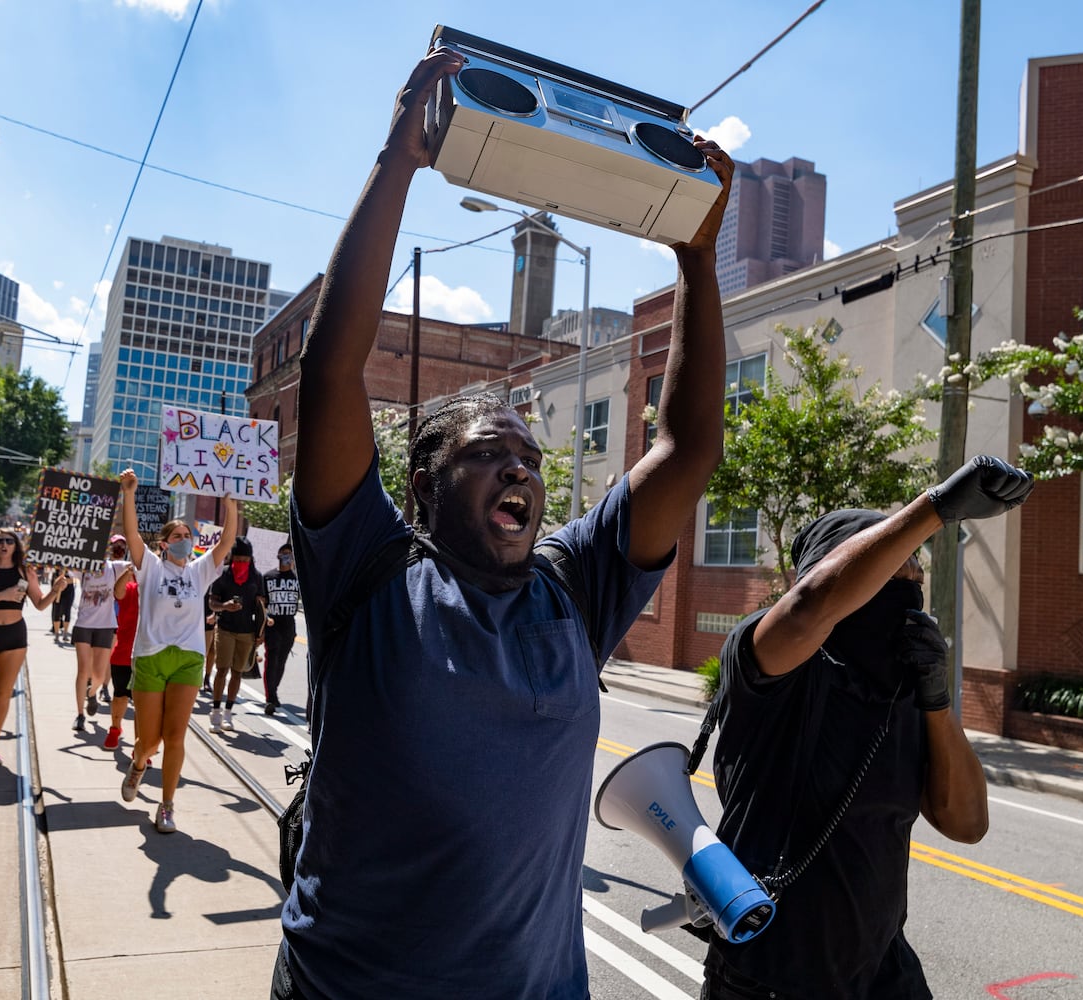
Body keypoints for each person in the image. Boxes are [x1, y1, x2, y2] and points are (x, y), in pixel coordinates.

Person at [273, 50, 735, 999]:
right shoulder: (368, 568)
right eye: (488, 451)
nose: (520, 464)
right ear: (425, 484)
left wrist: (695, 251)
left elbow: (686, 449)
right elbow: (331, 369)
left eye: (528, 455)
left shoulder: (574, 586)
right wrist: (399, 159)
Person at [700, 456, 1033, 1000]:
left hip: (882, 970)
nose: (906, 589)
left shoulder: (901, 690)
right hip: (771, 973)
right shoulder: (765, 659)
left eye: (915, 579)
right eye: (886, 576)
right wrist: (936, 507)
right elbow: (810, 607)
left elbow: (968, 824)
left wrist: (936, 702)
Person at [115, 470, 236, 834]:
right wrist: (129, 494)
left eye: (189, 535)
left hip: (188, 659)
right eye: (178, 536)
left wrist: (230, 504)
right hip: (151, 657)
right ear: (165, 543)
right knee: (149, 741)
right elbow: (133, 534)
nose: (185, 540)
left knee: (175, 736)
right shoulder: (150, 566)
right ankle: (138, 764)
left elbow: (226, 542)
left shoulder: (200, 571)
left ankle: (167, 805)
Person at [0, 529, 66, 775]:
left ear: (16, 546)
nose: (4, 545)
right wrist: (1, 596)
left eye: (9, 541)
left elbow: (39, 604)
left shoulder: (25, 572)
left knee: (4, 693)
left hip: (14, 636)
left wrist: (56, 590)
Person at [70, 536, 133, 735]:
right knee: (83, 670)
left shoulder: (115, 567)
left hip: (106, 626)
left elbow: (138, 563)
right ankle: (80, 715)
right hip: (83, 625)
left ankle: (92, 693)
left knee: (98, 675)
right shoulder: (84, 567)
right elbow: (66, 564)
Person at [205, 536, 265, 732]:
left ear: (251, 559)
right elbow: (212, 603)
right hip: (225, 629)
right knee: (222, 670)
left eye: (245, 560)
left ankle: (229, 712)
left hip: (247, 632)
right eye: (238, 559)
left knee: (237, 672)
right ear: (232, 558)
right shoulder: (222, 575)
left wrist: (261, 631)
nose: (242, 563)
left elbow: (262, 607)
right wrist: (224, 607)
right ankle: (215, 711)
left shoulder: (257, 577)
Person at [260, 541, 299, 715]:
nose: (286, 556)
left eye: (289, 554)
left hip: (288, 626)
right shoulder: (268, 577)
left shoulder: (298, 579)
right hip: (272, 624)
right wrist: (264, 619)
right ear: (277, 556)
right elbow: (261, 603)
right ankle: (270, 697)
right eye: (283, 553)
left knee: (281, 661)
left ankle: (273, 690)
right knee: (272, 657)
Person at [104, 565, 140, 752]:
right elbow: (117, 592)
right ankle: (115, 728)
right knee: (120, 696)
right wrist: (128, 571)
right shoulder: (131, 588)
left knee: (143, 704)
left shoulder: (161, 591)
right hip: (124, 653)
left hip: (148, 655)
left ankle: (140, 746)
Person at [50, 566, 75, 644]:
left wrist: (64, 578)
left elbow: (72, 580)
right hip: (57, 592)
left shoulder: (70, 570)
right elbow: (55, 581)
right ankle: (57, 634)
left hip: (68, 592)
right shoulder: (56, 569)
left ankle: (65, 633)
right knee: (56, 612)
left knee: (67, 612)